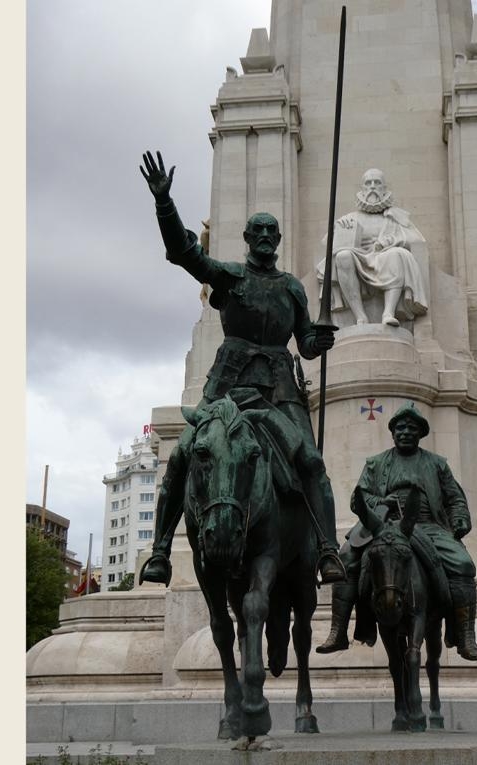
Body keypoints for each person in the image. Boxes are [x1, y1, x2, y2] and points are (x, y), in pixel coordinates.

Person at [135, 151, 345, 585]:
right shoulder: (229, 276)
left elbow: (303, 344)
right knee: (184, 454)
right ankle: (159, 552)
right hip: (228, 385)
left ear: (279, 238)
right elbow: (184, 253)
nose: (266, 236)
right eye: (258, 231)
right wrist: (164, 205)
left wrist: (317, 341)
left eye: (272, 231)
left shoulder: (291, 288)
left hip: (280, 388)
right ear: (247, 237)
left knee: (310, 462)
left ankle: (327, 550)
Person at [316, 402, 477, 660]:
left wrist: (459, 519)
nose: (405, 432)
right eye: (400, 428)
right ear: (392, 433)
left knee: (463, 565)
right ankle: (338, 631)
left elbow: (455, 498)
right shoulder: (376, 463)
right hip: (383, 525)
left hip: (428, 526)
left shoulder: (437, 464)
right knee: (347, 558)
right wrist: (382, 503)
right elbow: (357, 498)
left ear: (420, 433)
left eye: (411, 428)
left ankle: (465, 635)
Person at [315, 169, 430, 327]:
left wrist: (394, 240)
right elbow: (326, 244)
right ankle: (360, 316)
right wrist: (339, 230)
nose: (373, 186)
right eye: (368, 183)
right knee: (342, 256)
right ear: (362, 189)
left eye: (377, 183)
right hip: (359, 257)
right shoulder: (350, 218)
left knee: (398, 254)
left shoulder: (394, 216)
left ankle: (388, 313)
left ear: (384, 189)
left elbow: (416, 240)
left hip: (384, 257)